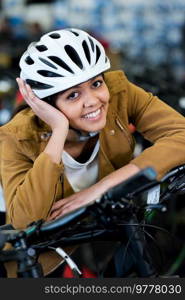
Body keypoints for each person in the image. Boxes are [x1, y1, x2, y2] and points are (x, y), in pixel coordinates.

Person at [1, 28, 185, 277]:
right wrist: (59, 130)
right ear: (45, 104)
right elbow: (25, 222)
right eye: (73, 95)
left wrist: (99, 189)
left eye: (96, 83)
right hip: (43, 253)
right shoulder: (15, 137)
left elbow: (180, 135)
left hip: (106, 234)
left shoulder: (120, 93)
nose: (93, 101)